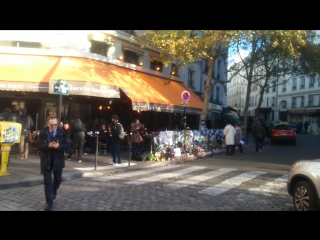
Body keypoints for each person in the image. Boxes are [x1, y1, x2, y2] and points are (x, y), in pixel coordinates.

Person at [36, 115, 69, 211]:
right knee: (47, 182)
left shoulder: (62, 132)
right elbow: (38, 145)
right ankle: (49, 202)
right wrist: (47, 145)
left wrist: (59, 146)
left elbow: (67, 146)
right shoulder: (43, 132)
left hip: (58, 160)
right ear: (48, 124)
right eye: (52, 125)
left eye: (55, 125)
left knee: (58, 180)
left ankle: (53, 191)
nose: (54, 127)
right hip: (46, 160)